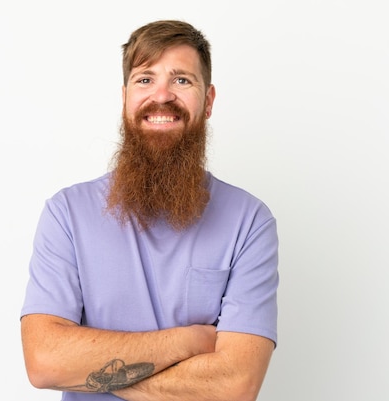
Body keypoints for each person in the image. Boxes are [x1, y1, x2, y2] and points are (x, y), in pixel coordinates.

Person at [20, 19, 279, 401]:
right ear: (125, 98)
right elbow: (44, 362)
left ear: (208, 101)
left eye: (182, 80)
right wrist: (188, 341)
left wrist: (91, 369)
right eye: (145, 79)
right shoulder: (67, 214)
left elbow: (235, 386)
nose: (162, 96)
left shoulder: (250, 221)